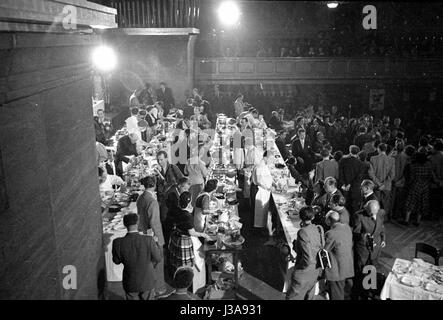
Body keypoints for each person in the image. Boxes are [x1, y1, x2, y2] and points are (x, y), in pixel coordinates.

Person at [112, 213, 162, 300]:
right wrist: (156, 243)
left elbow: (116, 261)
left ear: (125, 225)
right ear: (137, 223)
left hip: (130, 281)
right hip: (147, 280)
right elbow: (158, 258)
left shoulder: (118, 242)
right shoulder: (148, 240)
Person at [168, 192, 211, 292]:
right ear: (188, 203)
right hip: (184, 239)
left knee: (177, 262)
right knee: (189, 262)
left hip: (176, 237)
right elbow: (192, 232)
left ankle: (177, 279)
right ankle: (187, 284)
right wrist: (203, 235)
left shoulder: (176, 210)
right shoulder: (188, 216)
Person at [136, 175, 167, 296]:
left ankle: (150, 288)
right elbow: (154, 221)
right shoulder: (152, 202)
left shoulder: (141, 198)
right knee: (158, 262)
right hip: (153, 235)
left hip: (143, 232)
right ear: (154, 185)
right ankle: (159, 288)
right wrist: (158, 239)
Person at [286, 206, 322, 300]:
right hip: (314, 272)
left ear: (300, 217)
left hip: (303, 274)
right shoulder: (317, 228)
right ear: (312, 217)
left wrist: (299, 270)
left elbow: (308, 258)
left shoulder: (302, 232)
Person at [352, 200, 385, 299]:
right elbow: (355, 233)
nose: (372, 214)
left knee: (373, 270)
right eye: (370, 212)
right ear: (366, 208)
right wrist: (364, 236)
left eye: (374, 212)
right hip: (363, 250)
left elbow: (382, 228)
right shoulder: (359, 216)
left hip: (375, 248)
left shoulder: (380, 213)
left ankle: (370, 291)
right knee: (361, 272)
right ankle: (359, 293)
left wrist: (383, 239)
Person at [324, 211, 354, 300]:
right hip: (347, 266)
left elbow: (324, 250)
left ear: (329, 221)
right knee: (343, 292)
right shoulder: (347, 227)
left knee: (336, 295)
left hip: (337, 270)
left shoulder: (331, 233)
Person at [403, 148, 436, 226]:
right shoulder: (428, 167)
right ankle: (417, 221)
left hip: (415, 185)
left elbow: (411, 177)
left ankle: (406, 220)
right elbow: (431, 177)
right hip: (425, 186)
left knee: (411, 202)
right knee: (421, 203)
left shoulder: (413, 166)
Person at [155, 150, 184, 224]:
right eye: (158, 160)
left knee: (175, 218)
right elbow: (156, 186)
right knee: (164, 219)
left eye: (161, 159)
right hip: (162, 200)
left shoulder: (173, 168)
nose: (159, 161)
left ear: (166, 158)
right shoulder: (156, 171)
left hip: (174, 198)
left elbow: (182, 180)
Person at [369, 143, 396, 220]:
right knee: (386, 203)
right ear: (386, 149)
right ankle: (384, 219)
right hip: (386, 186)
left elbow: (371, 173)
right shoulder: (391, 160)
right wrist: (383, 184)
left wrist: (379, 183)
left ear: (378, 149)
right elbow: (392, 175)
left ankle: (375, 219)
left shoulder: (373, 158)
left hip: (376, 185)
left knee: (375, 203)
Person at [252, 151, 274, 236]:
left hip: (265, 191)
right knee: (259, 212)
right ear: (265, 158)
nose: (272, 161)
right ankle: (258, 231)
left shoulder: (264, 165)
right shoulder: (260, 166)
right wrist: (269, 187)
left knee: (263, 211)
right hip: (261, 191)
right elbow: (259, 181)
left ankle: (261, 227)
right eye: (271, 159)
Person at [163, 177, 191, 246]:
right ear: (179, 186)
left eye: (187, 189)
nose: (186, 191)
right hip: (166, 218)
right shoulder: (172, 194)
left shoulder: (175, 190)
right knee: (168, 238)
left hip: (170, 216)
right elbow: (173, 210)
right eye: (184, 189)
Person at [338, 145, 364, 213]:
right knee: (353, 209)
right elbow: (358, 177)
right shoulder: (360, 163)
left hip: (344, 188)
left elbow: (340, 174)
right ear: (358, 152)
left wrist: (343, 184)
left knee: (342, 208)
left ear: (349, 151)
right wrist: (350, 184)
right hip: (354, 189)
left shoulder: (343, 160)